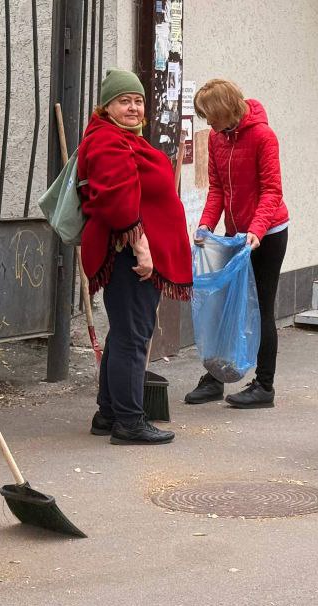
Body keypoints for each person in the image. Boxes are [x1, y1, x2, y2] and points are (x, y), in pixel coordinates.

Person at [79, 68, 193, 446]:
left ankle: (108, 412)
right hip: (129, 256)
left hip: (132, 253)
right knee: (134, 336)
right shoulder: (108, 142)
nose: (133, 107)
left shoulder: (125, 139)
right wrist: (143, 249)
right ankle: (129, 421)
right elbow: (117, 202)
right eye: (124, 100)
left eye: (138, 100)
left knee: (125, 332)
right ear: (107, 106)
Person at [184, 79, 290, 408]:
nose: (209, 124)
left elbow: (272, 191)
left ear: (227, 110)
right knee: (223, 307)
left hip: (268, 234)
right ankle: (217, 378)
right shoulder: (218, 138)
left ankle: (265, 386)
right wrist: (205, 225)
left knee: (261, 308)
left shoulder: (263, 136)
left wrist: (256, 230)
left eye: (211, 117)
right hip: (235, 235)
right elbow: (217, 189)